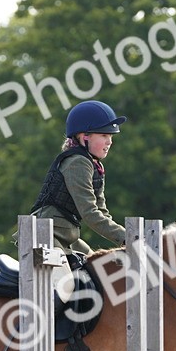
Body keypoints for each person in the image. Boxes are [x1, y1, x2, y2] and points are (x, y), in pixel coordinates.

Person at [27, 100, 128, 255]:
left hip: (67, 236)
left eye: (111, 136)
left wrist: (126, 237)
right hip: (45, 235)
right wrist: (127, 237)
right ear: (84, 136)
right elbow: (90, 213)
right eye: (104, 135)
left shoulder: (95, 166)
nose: (109, 142)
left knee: (97, 270)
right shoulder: (77, 163)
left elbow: (102, 212)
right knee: (68, 279)